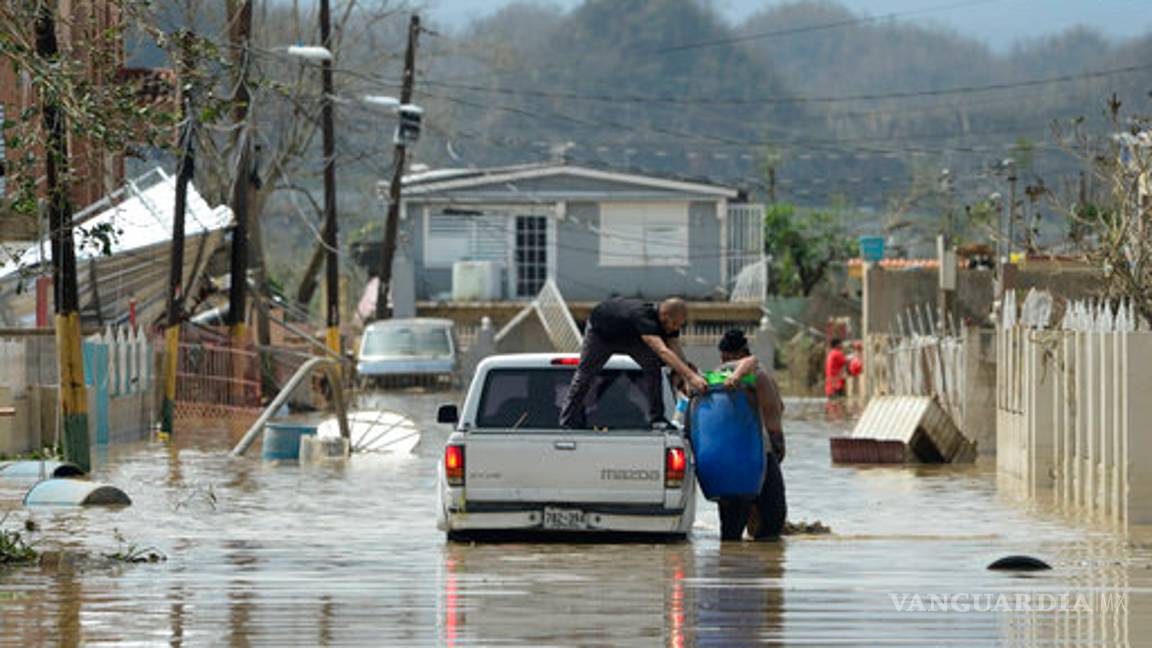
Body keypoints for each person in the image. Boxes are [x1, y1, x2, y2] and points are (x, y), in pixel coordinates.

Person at [560, 297, 707, 429]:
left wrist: (687, 371)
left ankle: (656, 418)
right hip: (601, 334)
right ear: (664, 315)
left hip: (632, 336)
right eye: (674, 324)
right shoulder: (644, 318)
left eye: (680, 325)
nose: (675, 328)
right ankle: (568, 419)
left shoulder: (669, 322)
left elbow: (675, 349)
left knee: (653, 366)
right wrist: (691, 377)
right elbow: (662, 350)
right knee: (585, 375)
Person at [714, 329, 787, 541]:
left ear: (739, 355)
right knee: (771, 519)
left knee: (738, 525)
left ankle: (734, 559)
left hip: (747, 452)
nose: (724, 364)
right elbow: (778, 409)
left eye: (728, 359)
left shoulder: (746, 374)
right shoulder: (761, 375)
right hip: (764, 450)